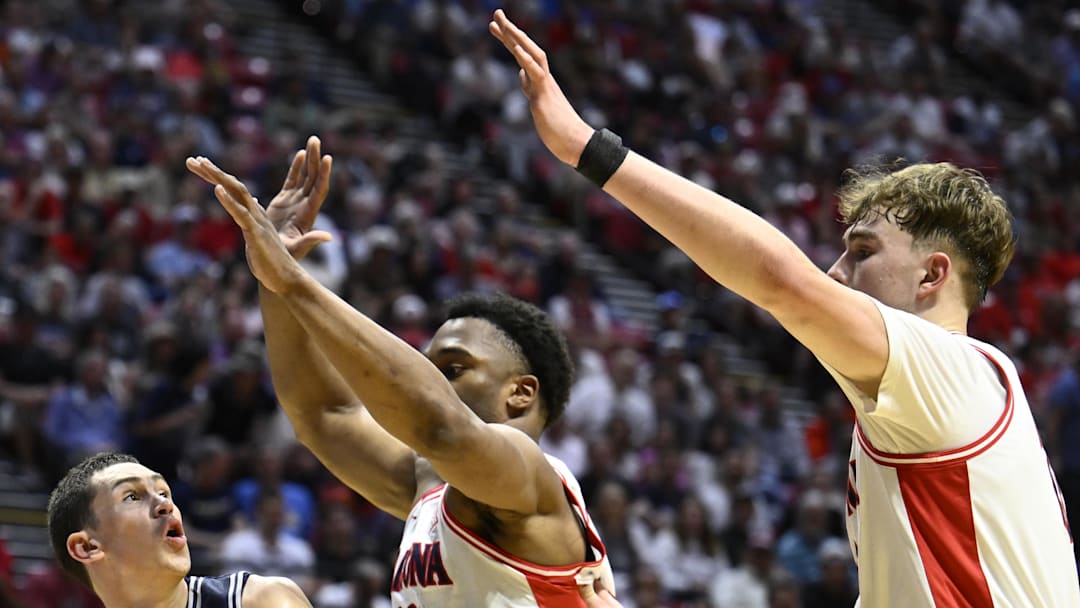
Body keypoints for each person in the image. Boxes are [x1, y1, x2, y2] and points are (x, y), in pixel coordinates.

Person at [487, 9, 1080, 606]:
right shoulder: (932, 415)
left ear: (933, 274)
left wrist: (587, 148)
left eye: (863, 252)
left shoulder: (949, 371)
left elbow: (781, 281)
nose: (835, 272)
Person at [186, 137, 618, 607]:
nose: (430, 380)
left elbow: (438, 426)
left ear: (521, 393)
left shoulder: (532, 473)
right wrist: (275, 282)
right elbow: (323, 415)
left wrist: (295, 283)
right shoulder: (431, 484)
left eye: (453, 368)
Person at [46, 452, 312, 607]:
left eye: (163, 491)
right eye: (132, 496)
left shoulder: (259, 600)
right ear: (87, 547)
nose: (164, 504)